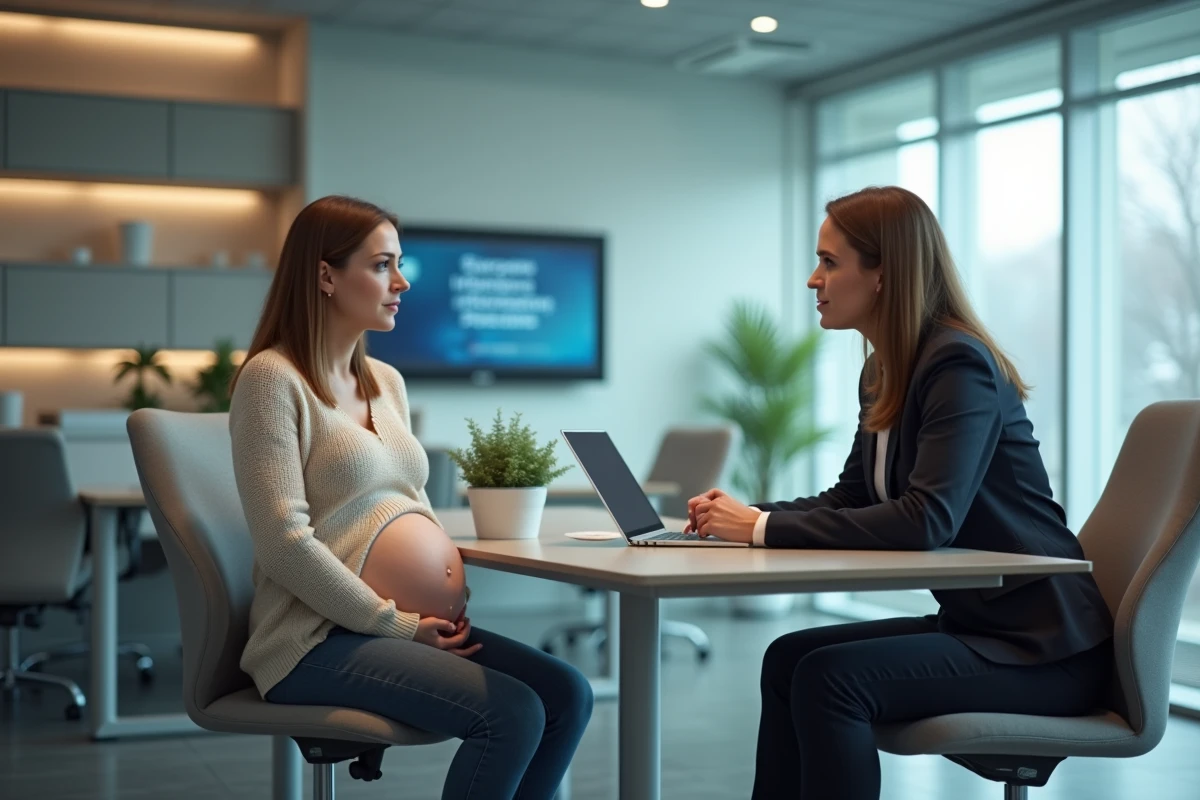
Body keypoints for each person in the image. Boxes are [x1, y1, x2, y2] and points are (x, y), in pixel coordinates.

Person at [683, 186, 1113, 800]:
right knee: (787, 659)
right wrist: (750, 515)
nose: (813, 279)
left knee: (832, 679)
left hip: (1044, 651)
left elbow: (925, 520)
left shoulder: (957, 364)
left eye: (830, 262)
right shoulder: (884, 369)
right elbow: (851, 497)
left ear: (884, 273)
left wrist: (758, 530)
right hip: (979, 627)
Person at [228, 195, 592, 799]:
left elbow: (409, 500)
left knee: (565, 694)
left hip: (399, 629)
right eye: (381, 266)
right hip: (317, 641)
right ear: (325, 274)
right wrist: (394, 623)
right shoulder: (274, 379)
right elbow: (284, 542)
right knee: (513, 713)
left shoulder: (386, 382)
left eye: (400, 264)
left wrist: (441, 590)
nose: (401, 282)